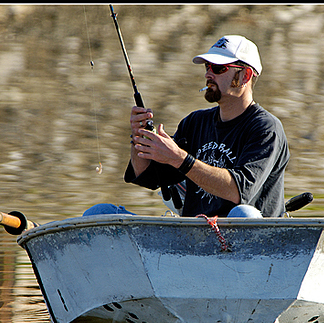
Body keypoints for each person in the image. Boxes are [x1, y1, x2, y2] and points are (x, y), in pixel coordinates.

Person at [83, 35, 289, 218]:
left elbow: (238, 192)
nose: (209, 74)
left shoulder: (266, 128)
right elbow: (149, 177)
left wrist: (179, 158)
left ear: (244, 76)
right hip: (193, 238)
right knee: (98, 214)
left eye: (218, 68)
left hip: (250, 242)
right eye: (207, 67)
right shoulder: (195, 122)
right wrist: (139, 139)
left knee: (243, 214)